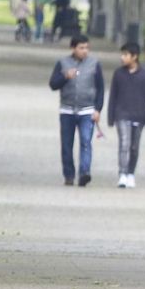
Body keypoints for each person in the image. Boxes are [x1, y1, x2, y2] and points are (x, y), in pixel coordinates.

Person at [49, 35, 104, 187]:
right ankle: (69, 174)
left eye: (87, 47)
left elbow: (100, 88)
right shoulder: (62, 63)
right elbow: (53, 84)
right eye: (81, 48)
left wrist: (98, 109)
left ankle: (84, 172)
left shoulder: (94, 64)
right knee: (67, 144)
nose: (84, 51)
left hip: (87, 110)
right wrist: (65, 76)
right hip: (67, 110)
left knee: (86, 141)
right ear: (73, 48)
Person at [106, 41, 145, 188]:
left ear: (135, 56)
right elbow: (113, 96)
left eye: (126, 55)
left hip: (139, 115)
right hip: (121, 114)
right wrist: (111, 117)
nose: (122, 57)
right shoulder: (118, 74)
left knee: (134, 147)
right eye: (122, 54)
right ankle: (122, 173)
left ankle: (130, 173)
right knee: (124, 144)